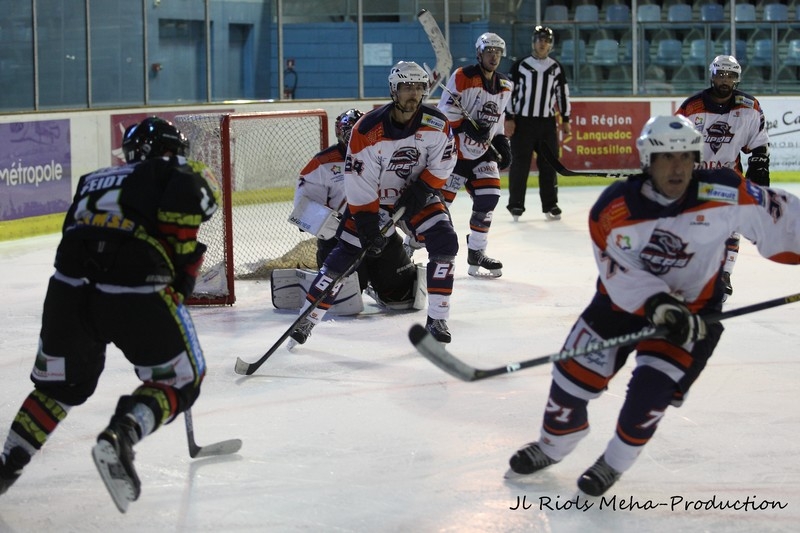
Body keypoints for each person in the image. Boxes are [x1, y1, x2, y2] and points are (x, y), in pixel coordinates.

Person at [505, 115, 800, 496]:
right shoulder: (612, 210)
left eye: (685, 157)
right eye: (666, 158)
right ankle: (554, 444)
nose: (677, 168)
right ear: (648, 161)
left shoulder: (725, 192)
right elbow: (618, 273)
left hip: (694, 313)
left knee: (650, 394)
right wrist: (657, 303)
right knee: (570, 380)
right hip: (619, 306)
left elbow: (786, 220)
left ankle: (613, 463)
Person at [0, 117, 220, 513]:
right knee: (181, 379)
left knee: (59, 389)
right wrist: (184, 273)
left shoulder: (93, 178)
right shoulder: (172, 168)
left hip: (67, 289)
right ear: (168, 149)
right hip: (132, 286)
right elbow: (187, 202)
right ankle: (122, 434)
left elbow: (74, 229)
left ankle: (5, 468)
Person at [289, 60, 458, 344]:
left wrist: (425, 186)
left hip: (415, 194)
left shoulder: (437, 123)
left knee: (445, 240)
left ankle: (438, 319)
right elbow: (358, 181)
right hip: (375, 202)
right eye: (406, 87)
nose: (413, 94)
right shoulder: (367, 130)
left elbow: (446, 159)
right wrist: (367, 221)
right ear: (394, 90)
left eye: (418, 87)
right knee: (346, 254)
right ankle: (308, 318)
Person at [290, 108, 419, 310]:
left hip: (382, 234)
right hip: (342, 240)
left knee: (403, 298)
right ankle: (320, 281)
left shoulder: (387, 155)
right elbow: (304, 209)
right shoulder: (322, 164)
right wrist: (336, 227)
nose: (355, 138)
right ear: (340, 133)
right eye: (350, 132)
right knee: (344, 303)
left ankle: (377, 282)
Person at [676, 55, 770, 299]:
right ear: (712, 75)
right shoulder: (691, 107)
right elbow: (672, 142)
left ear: (737, 78)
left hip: (728, 177)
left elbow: (758, 144)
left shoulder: (749, 107)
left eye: (730, 75)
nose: (725, 79)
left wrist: (760, 166)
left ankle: (724, 274)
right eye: (721, 74)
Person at [437, 32, 513, 278]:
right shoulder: (463, 76)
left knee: (489, 197)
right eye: (489, 51)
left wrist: (502, 142)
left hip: (481, 154)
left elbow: (498, 120)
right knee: (438, 206)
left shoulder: (505, 85)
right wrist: (465, 126)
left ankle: (476, 252)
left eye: (498, 52)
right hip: (455, 153)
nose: (494, 56)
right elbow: (444, 111)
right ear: (479, 53)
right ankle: (409, 248)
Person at [505, 25, 572, 221]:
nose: (543, 43)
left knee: (549, 164)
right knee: (520, 165)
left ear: (550, 45)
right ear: (534, 41)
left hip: (547, 124)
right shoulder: (520, 65)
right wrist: (509, 117)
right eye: (540, 39)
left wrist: (566, 119)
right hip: (524, 123)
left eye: (547, 40)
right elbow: (509, 94)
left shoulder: (556, 67)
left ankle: (550, 204)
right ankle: (516, 205)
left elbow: (563, 95)